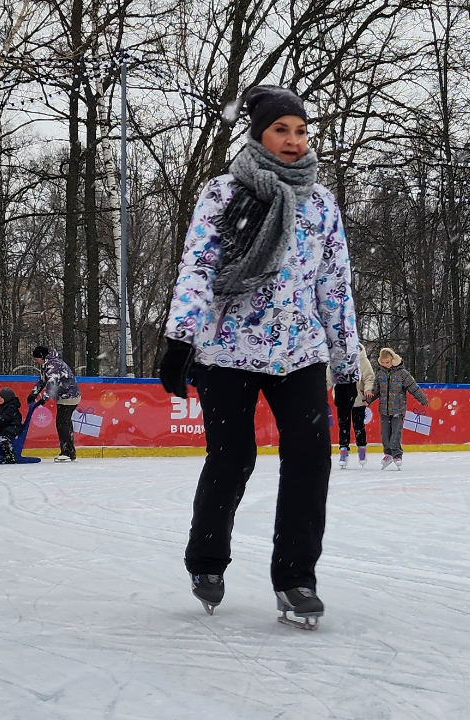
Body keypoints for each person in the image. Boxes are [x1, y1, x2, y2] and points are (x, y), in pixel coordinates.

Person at [159, 85, 359, 628]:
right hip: (226, 351)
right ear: (259, 134)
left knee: (310, 460)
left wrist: (345, 366)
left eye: (300, 130)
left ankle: (296, 578)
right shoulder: (224, 193)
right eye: (281, 130)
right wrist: (181, 338)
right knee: (233, 456)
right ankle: (207, 561)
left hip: (300, 352)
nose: (294, 141)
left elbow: (334, 286)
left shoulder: (320, 203)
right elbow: (198, 268)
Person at [368, 347, 428, 470]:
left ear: (393, 360)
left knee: (396, 433)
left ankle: (397, 454)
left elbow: (413, 387)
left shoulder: (402, 374)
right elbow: (376, 391)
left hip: (398, 409)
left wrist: (422, 399)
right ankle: (388, 454)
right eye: (383, 363)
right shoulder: (380, 375)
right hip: (384, 409)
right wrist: (367, 400)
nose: (386, 365)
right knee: (385, 434)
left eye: (388, 362)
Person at [28, 346, 81, 462]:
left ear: (42, 357)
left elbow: (52, 382)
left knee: (62, 423)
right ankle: (69, 451)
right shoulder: (47, 364)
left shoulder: (53, 364)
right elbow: (42, 380)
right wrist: (34, 393)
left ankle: (67, 452)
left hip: (69, 396)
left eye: (37, 359)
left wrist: (44, 398)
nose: (36, 361)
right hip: (65, 396)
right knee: (65, 423)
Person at [329, 343, 375, 468]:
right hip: (342, 398)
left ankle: (361, 448)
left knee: (359, 425)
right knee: (343, 425)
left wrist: (368, 389)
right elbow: (328, 377)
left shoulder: (362, 360)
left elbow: (369, 377)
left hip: (358, 399)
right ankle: (343, 450)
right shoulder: (336, 359)